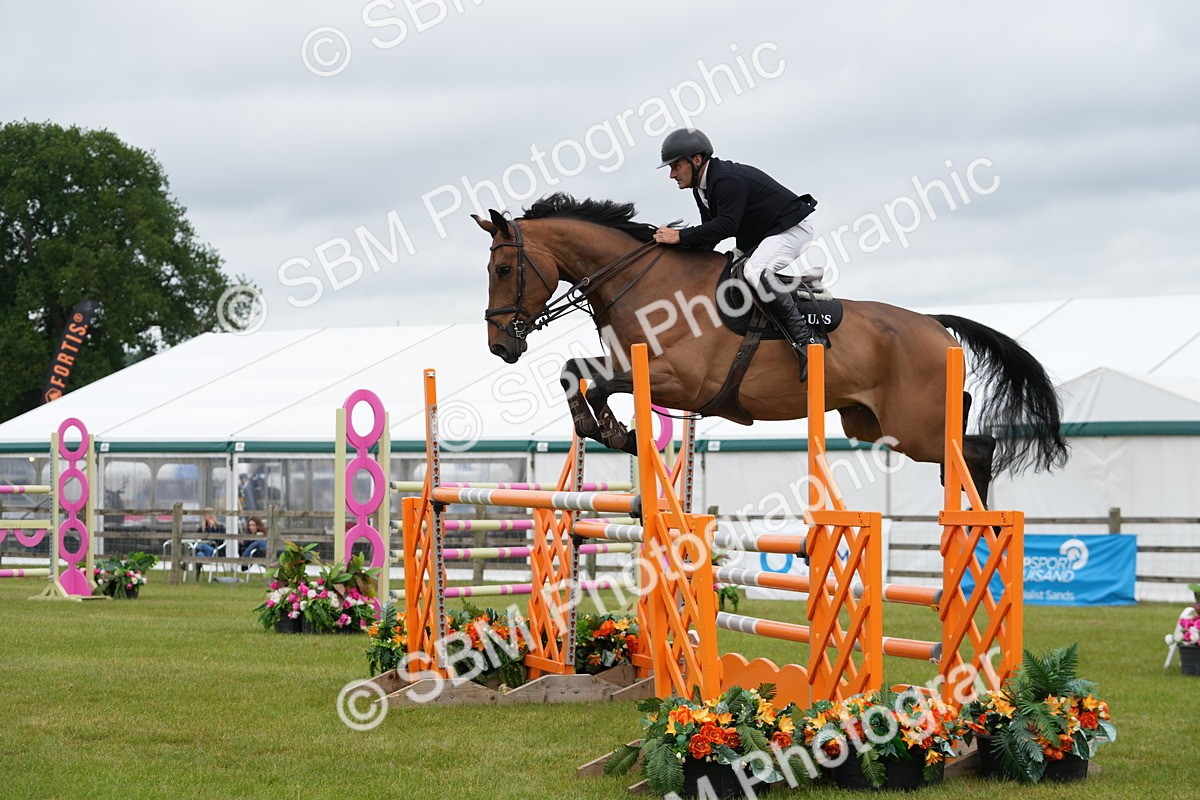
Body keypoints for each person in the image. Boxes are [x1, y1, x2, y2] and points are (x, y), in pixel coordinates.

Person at [653, 127, 824, 379]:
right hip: (764, 235)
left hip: (792, 228)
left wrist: (679, 236)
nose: (671, 174)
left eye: (676, 166)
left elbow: (725, 226)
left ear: (696, 160)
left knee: (755, 271)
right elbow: (709, 235)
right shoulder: (701, 188)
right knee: (727, 268)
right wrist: (674, 250)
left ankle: (807, 341)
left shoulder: (725, 180)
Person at [193, 507, 226, 580]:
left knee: (201, 545)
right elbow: (196, 538)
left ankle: (188, 559)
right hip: (204, 552)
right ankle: (196, 578)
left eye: (211, 515)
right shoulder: (201, 528)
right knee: (199, 555)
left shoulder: (220, 527)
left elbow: (220, 541)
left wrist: (212, 528)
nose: (209, 517)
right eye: (207, 515)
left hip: (215, 550)